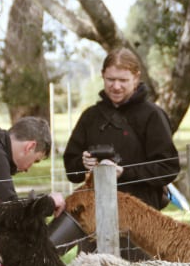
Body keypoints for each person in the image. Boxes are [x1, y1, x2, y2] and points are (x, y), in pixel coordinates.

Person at [63, 47, 180, 210]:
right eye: (110, 79)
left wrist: (124, 173)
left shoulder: (153, 115)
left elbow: (168, 168)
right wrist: (83, 163)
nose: (116, 86)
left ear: (136, 78)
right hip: (96, 211)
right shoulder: (90, 117)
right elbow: (71, 171)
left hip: (142, 214)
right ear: (102, 75)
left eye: (123, 80)